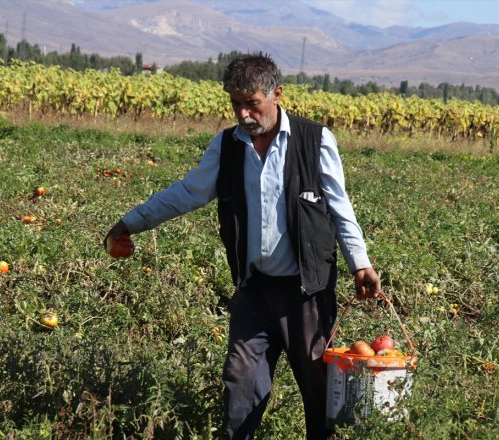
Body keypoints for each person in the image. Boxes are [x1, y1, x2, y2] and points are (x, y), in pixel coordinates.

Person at [104, 53, 381, 439]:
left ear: (276, 94)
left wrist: (360, 263)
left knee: (319, 397)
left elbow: (339, 207)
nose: (244, 114)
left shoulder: (314, 140)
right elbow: (188, 193)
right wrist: (131, 221)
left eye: (251, 103)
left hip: (308, 296)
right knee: (240, 390)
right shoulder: (228, 146)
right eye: (236, 104)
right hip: (255, 293)